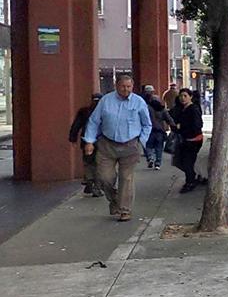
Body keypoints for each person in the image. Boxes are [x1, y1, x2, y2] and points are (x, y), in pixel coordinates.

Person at [82, 75, 152, 222]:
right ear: (116, 85)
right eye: (123, 86)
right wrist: (89, 141)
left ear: (132, 87)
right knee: (104, 178)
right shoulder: (106, 101)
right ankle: (114, 199)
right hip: (107, 145)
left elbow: (147, 124)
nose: (126, 89)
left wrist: (142, 142)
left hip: (130, 145)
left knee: (126, 178)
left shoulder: (138, 102)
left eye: (129, 87)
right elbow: (94, 121)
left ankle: (125, 210)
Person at [68, 93, 103, 197]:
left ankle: (89, 180)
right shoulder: (104, 111)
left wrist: (73, 138)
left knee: (88, 162)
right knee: (99, 164)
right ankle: (96, 187)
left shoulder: (84, 111)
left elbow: (76, 125)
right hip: (101, 141)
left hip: (86, 141)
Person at [173, 88, 206, 193]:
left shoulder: (193, 109)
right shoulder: (182, 108)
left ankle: (190, 182)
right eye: (181, 96)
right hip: (185, 139)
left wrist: (182, 127)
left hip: (193, 140)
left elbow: (197, 125)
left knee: (188, 162)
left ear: (190, 97)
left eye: (185, 96)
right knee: (181, 161)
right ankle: (193, 177)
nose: (182, 98)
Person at [143, 87, 174, 170]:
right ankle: (158, 164)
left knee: (148, 145)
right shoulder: (162, 109)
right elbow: (168, 119)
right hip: (160, 131)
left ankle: (150, 158)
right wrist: (173, 126)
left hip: (150, 131)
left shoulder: (147, 108)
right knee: (159, 148)